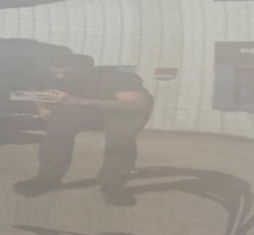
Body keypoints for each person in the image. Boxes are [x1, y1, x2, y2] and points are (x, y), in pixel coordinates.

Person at [13, 53, 154, 206]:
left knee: (120, 137)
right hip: (85, 105)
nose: (61, 77)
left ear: (85, 70)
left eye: (68, 73)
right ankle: (47, 178)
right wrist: (41, 108)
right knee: (59, 124)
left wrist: (77, 101)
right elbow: (33, 91)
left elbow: (138, 105)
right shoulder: (46, 75)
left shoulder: (112, 78)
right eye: (56, 73)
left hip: (123, 109)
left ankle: (113, 186)